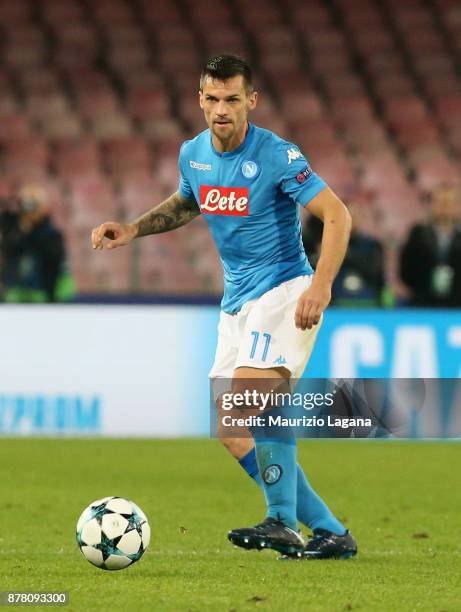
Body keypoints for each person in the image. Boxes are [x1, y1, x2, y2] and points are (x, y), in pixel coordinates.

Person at [91, 55, 356, 560]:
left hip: (283, 291)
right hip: (236, 305)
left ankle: (281, 520)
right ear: (199, 99)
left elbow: (337, 216)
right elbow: (187, 202)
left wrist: (321, 285)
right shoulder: (192, 154)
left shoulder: (277, 155)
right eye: (211, 99)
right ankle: (329, 531)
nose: (220, 110)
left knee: (246, 402)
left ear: (251, 101)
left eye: (232, 99)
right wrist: (132, 229)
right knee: (232, 430)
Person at [303, 197, 386, 306]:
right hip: (330, 304)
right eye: (350, 214)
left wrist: (343, 255)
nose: (354, 219)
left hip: (366, 304)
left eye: (357, 215)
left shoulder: (371, 245)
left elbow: (375, 273)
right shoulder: (318, 242)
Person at [0, 184, 71, 303]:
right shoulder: (14, 229)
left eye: (32, 205)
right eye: (24, 204)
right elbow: (9, 252)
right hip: (16, 292)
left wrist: (28, 232)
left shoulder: (50, 233)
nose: (28, 210)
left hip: (43, 293)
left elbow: (53, 261)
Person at [400, 184, 461, 307]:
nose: (444, 206)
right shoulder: (417, 234)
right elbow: (405, 271)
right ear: (431, 204)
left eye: (449, 202)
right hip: (422, 304)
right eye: (440, 201)